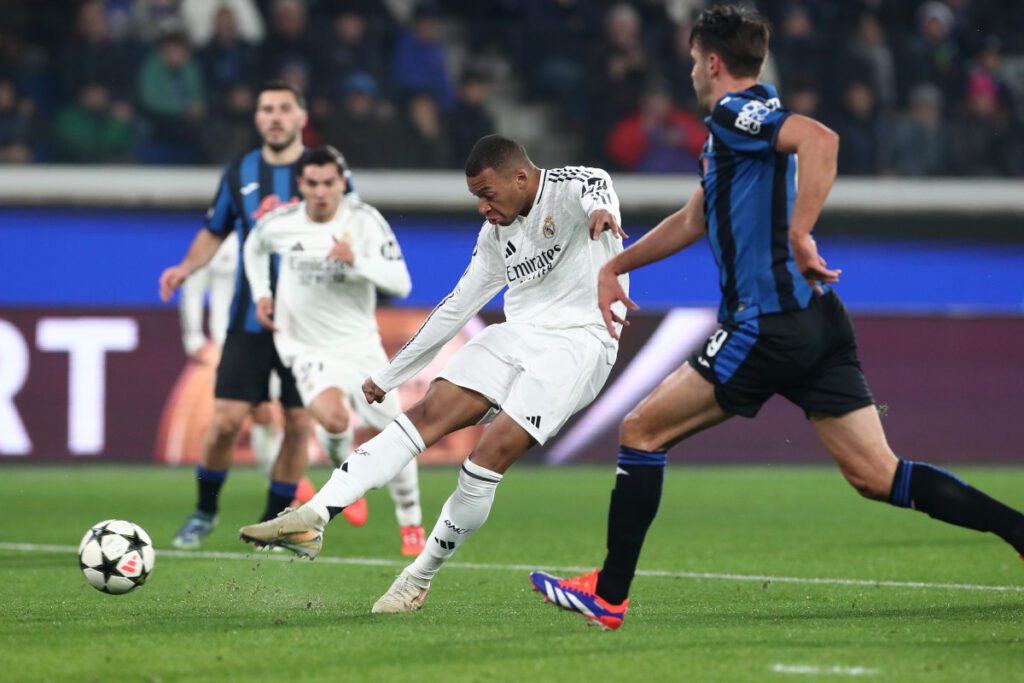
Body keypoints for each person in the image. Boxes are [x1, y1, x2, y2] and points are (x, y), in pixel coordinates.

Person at [529, 4, 1024, 631]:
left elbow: (823, 139)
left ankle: (609, 593)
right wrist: (613, 266)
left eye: (690, 61)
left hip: (765, 325)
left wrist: (798, 231)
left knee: (641, 432)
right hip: (816, 322)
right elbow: (692, 220)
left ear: (711, 62)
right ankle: (1018, 529)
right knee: (877, 474)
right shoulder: (735, 131)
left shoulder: (738, 114)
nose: (688, 72)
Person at [239, 134, 630, 614]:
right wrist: (390, 374)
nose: (483, 208)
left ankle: (417, 578)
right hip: (521, 333)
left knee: (489, 454)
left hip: (582, 341)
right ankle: (313, 517)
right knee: (429, 411)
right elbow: (454, 310)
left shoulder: (570, 190)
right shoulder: (495, 239)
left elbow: (597, 181)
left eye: (488, 194)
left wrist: (600, 210)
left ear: (521, 178)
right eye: (476, 199)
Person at [242, 145, 425, 556]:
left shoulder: (365, 222)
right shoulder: (281, 223)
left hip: (360, 347)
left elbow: (401, 283)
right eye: (313, 183)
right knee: (332, 416)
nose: (322, 191)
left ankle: (411, 522)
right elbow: (254, 246)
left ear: (342, 183)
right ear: (301, 186)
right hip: (306, 348)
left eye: (329, 183)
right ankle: (349, 482)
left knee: (395, 431)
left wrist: (356, 260)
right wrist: (261, 294)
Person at [159, 81, 315, 550]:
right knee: (226, 420)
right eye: (266, 108)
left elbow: (350, 230)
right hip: (248, 321)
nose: (274, 116)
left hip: (306, 326)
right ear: (257, 118)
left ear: (301, 117)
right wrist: (186, 268)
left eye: (284, 108)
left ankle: (274, 521)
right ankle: (204, 511)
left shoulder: (324, 171)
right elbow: (214, 230)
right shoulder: (240, 173)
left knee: (298, 423)